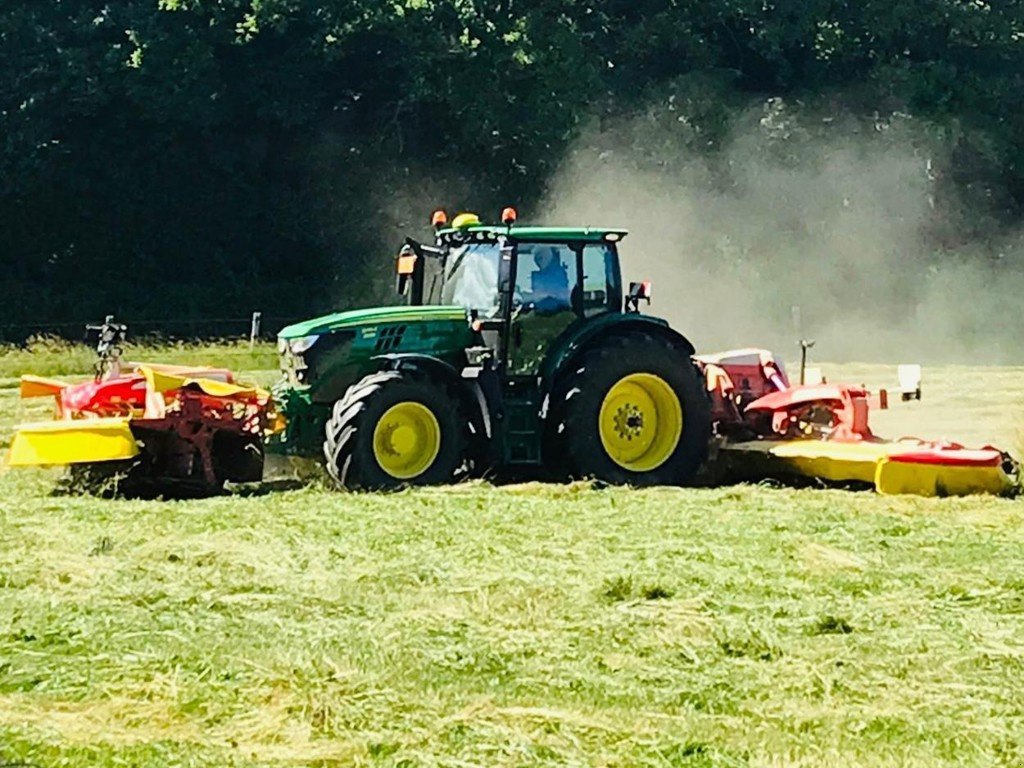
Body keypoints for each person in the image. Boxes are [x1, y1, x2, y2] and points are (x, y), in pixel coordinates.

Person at [527, 246, 570, 313]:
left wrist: (531, 296)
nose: (538, 262)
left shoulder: (558, 274)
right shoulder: (537, 276)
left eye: (540, 258)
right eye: (537, 259)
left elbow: (556, 294)